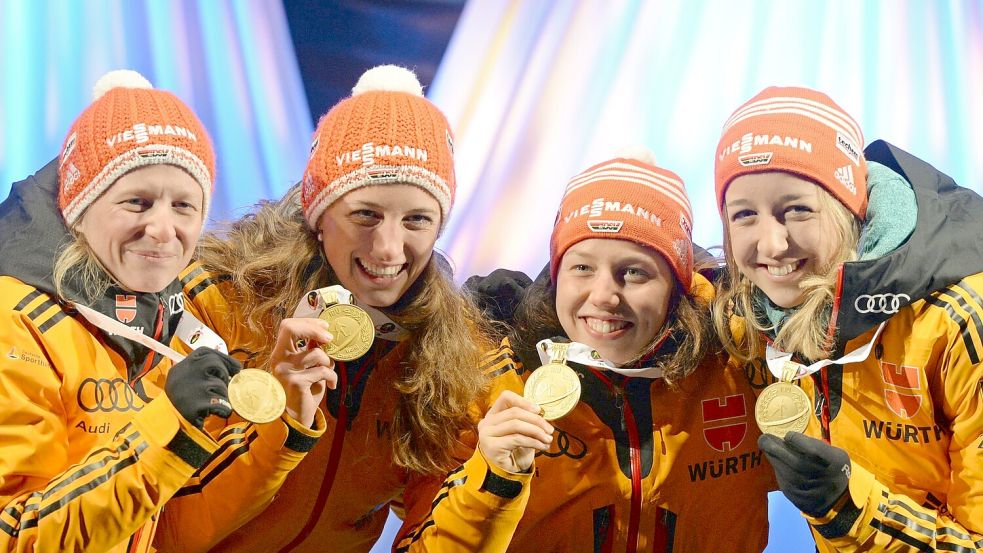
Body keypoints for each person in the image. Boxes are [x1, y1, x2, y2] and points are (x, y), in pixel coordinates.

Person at [178, 65, 531, 552]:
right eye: (365, 214)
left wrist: (493, 486)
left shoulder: (458, 358)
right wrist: (282, 425)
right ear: (318, 215)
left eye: (416, 220)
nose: (388, 248)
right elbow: (167, 528)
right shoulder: (220, 301)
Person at [0, 70, 330, 552]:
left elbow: (172, 528)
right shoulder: (18, 322)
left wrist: (285, 424)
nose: (162, 229)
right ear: (79, 206)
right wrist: (170, 427)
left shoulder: (169, 320)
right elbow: (14, 536)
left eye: (184, 206)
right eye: (137, 201)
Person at [397, 149, 775, 551]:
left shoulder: (739, 366)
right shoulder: (489, 386)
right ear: (557, 273)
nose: (604, 296)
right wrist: (491, 481)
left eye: (634, 272)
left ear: (677, 285)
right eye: (582, 267)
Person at [712, 86, 983, 551]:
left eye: (796, 210)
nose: (772, 245)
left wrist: (851, 509)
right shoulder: (761, 314)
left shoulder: (956, 324)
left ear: (849, 209)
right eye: (744, 215)